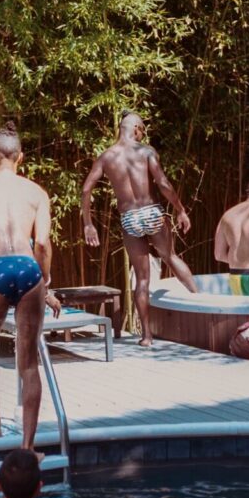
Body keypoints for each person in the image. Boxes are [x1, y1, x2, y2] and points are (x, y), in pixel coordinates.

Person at [0, 122, 62, 450]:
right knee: (28, 361)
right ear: (21, 157)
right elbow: (43, 243)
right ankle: (29, 447)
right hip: (29, 268)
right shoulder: (37, 193)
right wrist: (45, 284)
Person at [81, 110, 197, 347]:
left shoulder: (106, 156)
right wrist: (180, 209)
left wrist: (88, 223)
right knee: (171, 257)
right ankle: (201, 303)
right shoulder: (145, 152)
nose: (143, 135)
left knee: (142, 279)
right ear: (135, 128)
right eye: (143, 130)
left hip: (129, 218)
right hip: (152, 211)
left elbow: (86, 189)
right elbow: (163, 184)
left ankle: (146, 336)